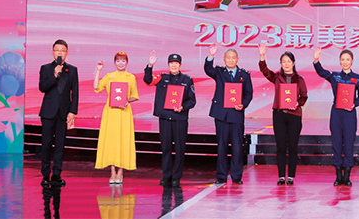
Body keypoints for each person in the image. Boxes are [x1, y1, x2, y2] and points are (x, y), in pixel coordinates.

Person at [313, 47, 359, 186]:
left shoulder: (357, 78)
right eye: (343, 59)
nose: (345, 62)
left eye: (348, 59)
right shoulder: (335, 76)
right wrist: (316, 60)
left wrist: (354, 104)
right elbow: (322, 72)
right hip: (336, 113)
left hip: (349, 114)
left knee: (348, 144)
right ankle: (338, 176)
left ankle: (346, 176)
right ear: (340, 61)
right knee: (336, 144)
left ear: (352, 61)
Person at [144, 51, 196, 188]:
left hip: (180, 119)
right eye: (171, 63)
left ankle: (177, 176)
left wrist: (183, 107)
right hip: (165, 118)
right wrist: (150, 65)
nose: (174, 65)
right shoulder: (162, 78)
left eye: (176, 63)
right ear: (168, 65)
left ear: (180, 65)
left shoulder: (187, 80)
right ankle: (166, 175)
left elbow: (192, 100)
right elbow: (148, 80)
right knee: (166, 148)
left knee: (180, 149)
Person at [259, 43, 308, 185]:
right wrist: (262, 56)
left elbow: (304, 96)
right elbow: (265, 71)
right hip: (279, 115)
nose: (286, 64)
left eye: (288, 61)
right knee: (280, 146)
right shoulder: (277, 77)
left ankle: (291, 176)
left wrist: (297, 103)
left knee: (292, 147)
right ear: (280, 64)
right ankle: (281, 176)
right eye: (283, 62)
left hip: (294, 116)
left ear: (293, 63)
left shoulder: (299, 79)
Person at [204, 44, 253, 185]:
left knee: (237, 147)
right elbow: (208, 69)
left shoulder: (244, 75)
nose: (231, 60)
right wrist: (211, 56)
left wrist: (243, 104)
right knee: (222, 146)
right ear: (224, 59)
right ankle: (221, 175)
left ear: (237, 59)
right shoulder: (219, 72)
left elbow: (248, 93)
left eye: (233, 58)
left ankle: (237, 176)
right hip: (221, 115)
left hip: (236, 114)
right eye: (228, 57)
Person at [38, 39, 79, 188]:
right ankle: (45, 174)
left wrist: (72, 111)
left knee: (60, 145)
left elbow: (75, 92)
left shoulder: (72, 70)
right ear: (53, 52)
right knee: (46, 144)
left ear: (67, 53)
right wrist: (54, 75)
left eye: (62, 50)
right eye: (57, 50)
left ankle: (57, 174)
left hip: (63, 112)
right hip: (48, 112)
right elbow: (42, 87)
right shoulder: (46, 68)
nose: (59, 52)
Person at [94, 52, 139, 184]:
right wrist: (98, 70)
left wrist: (126, 101)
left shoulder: (131, 77)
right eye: (118, 61)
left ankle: (120, 172)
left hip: (124, 112)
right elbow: (96, 87)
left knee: (123, 140)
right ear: (115, 63)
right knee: (112, 141)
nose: (121, 63)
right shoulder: (109, 76)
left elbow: (135, 96)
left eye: (123, 61)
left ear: (127, 63)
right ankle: (112, 172)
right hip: (111, 112)